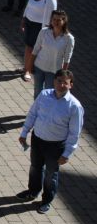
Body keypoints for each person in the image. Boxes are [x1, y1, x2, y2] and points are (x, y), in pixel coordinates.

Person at [16, 70, 84, 214]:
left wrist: (67, 153)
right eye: (58, 81)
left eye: (65, 82)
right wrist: (24, 132)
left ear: (70, 85)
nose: (61, 85)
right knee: (35, 167)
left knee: (51, 174)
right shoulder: (44, 95)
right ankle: (32, 191)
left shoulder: (74, 106)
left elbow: (74, 133)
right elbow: (32, 114)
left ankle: (46, 200)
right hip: (38, 139)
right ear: (54, 81)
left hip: (56, 145)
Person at [21, 0, 58, 82]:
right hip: (29, 23)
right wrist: (24, 19)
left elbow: (49, 17)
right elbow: (28, 7)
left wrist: (45, 32)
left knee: (31, 48)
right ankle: (27, 67)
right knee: (28, 46)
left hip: (39, 27)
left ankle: (27, 70)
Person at [31, 11, 74, 98]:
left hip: (54, 71)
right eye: (54, 19)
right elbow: (36, 49)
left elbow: (67, 58)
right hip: (39, 67)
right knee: (37, 91)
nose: (56, 22)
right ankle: (37, 110)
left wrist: (63, 75)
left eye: (59, 20)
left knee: (49, 93)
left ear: (64, 21)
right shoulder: (44, 32)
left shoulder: (69, 38)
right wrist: (29, 65)